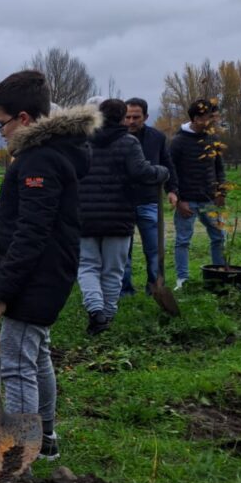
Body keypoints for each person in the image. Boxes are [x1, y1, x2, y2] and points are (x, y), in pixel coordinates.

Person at [0, 70, 93, 472]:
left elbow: (32, 232)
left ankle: (15, 456)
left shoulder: (39, 158)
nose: (0, 132)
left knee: (17, 362)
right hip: (51, 272)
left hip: (35, 276)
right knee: (37, 355)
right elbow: (31, 206)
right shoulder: (51, 152)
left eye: (2, 123)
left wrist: (3, 288)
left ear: (24, 119)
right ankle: (46, 437)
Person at [77, 98, 170, 334]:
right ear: (121, 118)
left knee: (87, 266)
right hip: (119, 216)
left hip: (85, 214)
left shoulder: (83, 141)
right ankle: (106, 317)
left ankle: (95, 311)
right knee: (113, 270)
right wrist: (162, 172)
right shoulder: (128, 142)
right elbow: (141, 172)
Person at [121, 98, 178, 296]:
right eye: (127, 116)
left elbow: (167, 164)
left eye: (136, 117)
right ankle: (124, 290)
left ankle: (155, 288)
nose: (131, 121)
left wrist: (172, 190)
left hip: (149, 200)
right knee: (123, 252)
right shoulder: (117, 139)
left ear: (145, 117)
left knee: (154, 250)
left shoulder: (157, 138)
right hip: (123, 202)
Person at [169, 98, 227, 287]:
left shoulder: (213, 139)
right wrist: (179, 200)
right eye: (207, 117)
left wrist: (221, 191)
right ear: (196, 118)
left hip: (210, 199)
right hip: (187, 201)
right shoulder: (178, 142)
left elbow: (219, 168)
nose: (211, 121)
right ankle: (182, 280)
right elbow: (171, 171)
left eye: (212, 117)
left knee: (219, 237)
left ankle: (219, 275)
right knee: (183, 241)